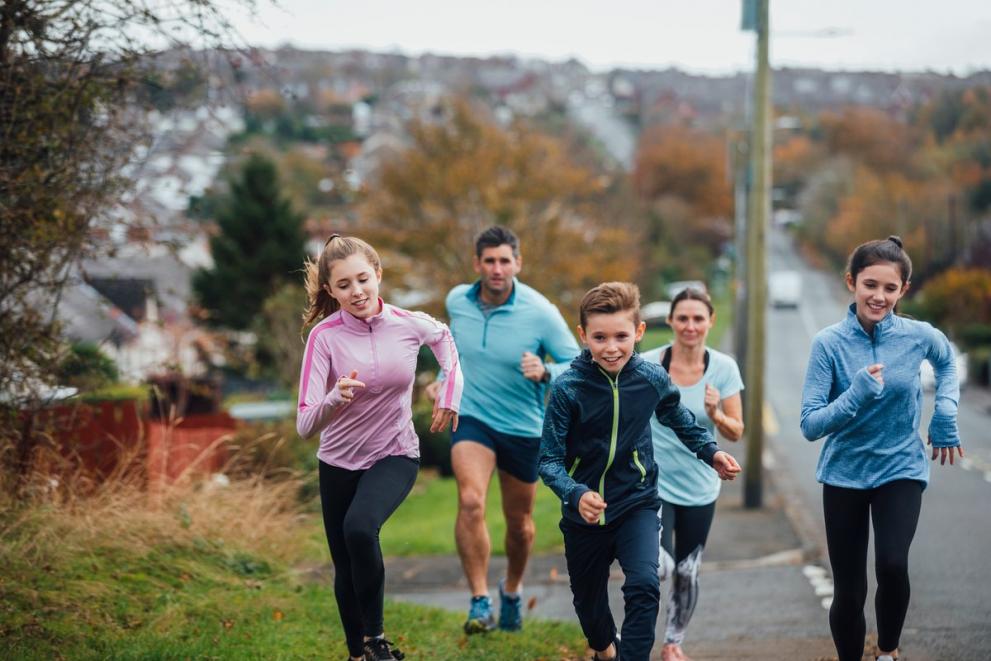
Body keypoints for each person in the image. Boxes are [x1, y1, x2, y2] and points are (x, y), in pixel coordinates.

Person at [539, 282, 741, 661]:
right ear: (583, 335)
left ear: (639, 332)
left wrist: (710, 452)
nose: (611, 347)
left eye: (621, 336)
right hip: (585, 513)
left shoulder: (650, 377)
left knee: (646, 584)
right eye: (599, 337)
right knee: (591, 612)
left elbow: (677, 416)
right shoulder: (569, 388)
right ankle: (604, 649)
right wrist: (576, 493)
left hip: (637, 502)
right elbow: (547, 460)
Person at [297, 234, 463, 661]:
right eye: (345, 285)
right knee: (345, 564)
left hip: (395, 451)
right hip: (337, 461)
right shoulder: (324, 338)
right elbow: (304, 423)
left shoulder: (409, 323)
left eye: (363, 279)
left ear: (378, 275)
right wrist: (335, 397)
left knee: (359, 528)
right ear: (330, 291)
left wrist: (448, 393)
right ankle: (358, 654)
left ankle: (376, 640)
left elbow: (446, 343)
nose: (357, 292)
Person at [800, 236, 963, 661]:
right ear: (851, 282)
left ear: (903, 290)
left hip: (901, 467)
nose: (879, 296)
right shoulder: (829, 344)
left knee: (892, 565)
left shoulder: (918, 336)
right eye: (870, 285)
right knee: (850, 591)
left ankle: (888, 652)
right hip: (844, 472)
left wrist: (944, 412)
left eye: (890, 289)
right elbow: (810, 424)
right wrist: (855, 394)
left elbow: (947, 364)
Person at [426, 225, 581, 634]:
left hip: (523, 428)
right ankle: (479, 601)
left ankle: (511, 588)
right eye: (489, 261)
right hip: (473, 418)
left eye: (505, 261)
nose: (497, 269)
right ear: (477, 263)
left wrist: (546, 370)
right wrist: (443, 381)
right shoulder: (457, 300)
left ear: (518, 263)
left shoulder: (540, 311)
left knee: (520, 524)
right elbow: (452, 352)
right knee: (471, 502)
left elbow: (580, 365)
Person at [640, 287, 744, 661]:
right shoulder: (649, 363)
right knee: (660, 566)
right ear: (670, 321)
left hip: (701, 484)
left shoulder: (724, 368)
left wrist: (715, 414)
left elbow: (736, 431)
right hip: (655, 482)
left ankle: (672, 642)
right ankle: (636, 634)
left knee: (687, 569)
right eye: (682, 318)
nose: (690, 325)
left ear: (710, 322)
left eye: (698, 318)